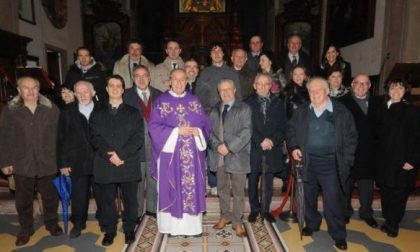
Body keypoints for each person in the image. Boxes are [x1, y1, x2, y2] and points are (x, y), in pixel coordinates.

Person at [286, 77, 357, 251]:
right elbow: (290, 130)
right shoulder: (302, 111)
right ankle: (312, 223)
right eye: (311, 91)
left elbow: (351, 139)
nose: (315, 93)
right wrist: (294, 147)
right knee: (308, 197)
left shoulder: (341, 112)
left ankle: (338, 234)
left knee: (333, 201)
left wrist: (346, 162)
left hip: (331, 164)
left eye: (318, 90)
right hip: (307, 162)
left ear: (326, 91)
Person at [148, 69, 211, 237]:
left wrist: (198, 132)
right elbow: (153, 127)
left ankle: (193, 228)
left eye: (182, 79)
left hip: (192, 156)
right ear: (169, 81)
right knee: (172, 188)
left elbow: (206, 126)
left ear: (187, 81)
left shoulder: (195, 101)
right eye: (175, 79)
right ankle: (172, 228)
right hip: (171, 156)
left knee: (192, 190)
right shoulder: (161, 101)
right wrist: (177, 131)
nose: (178, 83)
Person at [0, 76, 62, 246]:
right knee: (23, 199)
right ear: (19, 90)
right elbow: (4, 137)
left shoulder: (51, 109)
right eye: (26, 88)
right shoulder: (10, 111)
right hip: (21, 162)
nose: (30, 91)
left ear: (39, 89)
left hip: (47, 160)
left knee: (50, 197)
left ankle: (51, 223)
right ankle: (26, 229)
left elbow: (60, 136)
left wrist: (61, 160)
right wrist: (5, 161)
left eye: (34, 87)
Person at [90, 75, 144, 246]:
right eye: (111, 85)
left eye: (118, 86)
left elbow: (137, 138)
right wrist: (110, 155)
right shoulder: (97, 112)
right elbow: (94, 137)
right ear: (106, 89)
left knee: (130, 200)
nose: (115, 88)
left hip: (127, 162)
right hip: (105, 164)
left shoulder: (134, 112)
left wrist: (120, 156)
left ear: (123, 89)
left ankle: (129, 229)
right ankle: (110, 231)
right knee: (106, 201)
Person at [375, 78, 420, 238]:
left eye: (400, 88)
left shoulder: (412, 110)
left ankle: (393, 224)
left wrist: (413, 161)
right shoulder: (382, 109)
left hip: (403, 162)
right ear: (388, 90)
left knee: (399, 195)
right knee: (386, 193)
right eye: (393, 88)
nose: (396, 91)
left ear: (405, 91)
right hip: (384, 162)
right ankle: (388, 220)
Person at [57, 80, 102, 238]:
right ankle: (78, 223)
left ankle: (104, 220)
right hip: (77, 161)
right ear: (75, 94)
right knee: (79, 195)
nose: (83, 95)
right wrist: (62, 163)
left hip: (100, 161)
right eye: (79, 92)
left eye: (86, 91)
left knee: (102, 194)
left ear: (93, 92)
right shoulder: (67, 111)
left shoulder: (102, 109)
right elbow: (61, 139)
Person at [196, 42, 241, 196]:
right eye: (213, 51)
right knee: (213, 147)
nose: (216, 54)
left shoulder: (232, 73)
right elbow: (198, 97)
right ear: (210, 55)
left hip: (229, 113)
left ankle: (229, 181)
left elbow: (239, 95)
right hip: (209, 115)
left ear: (223, 54)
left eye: (219, 51)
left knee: (229, 146)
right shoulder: (204, 73)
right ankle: (214, 182)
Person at [209, 78, 252, 237]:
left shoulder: (244, 108)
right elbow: (209, 133)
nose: (226, 92)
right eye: (222, 90)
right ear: (219, 92)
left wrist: (229, 146)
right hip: (219, 157)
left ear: (234, 90)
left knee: (238, 192)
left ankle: (237, 222)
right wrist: (216, 146)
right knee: (222, 189)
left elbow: (246, 131)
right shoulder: (214, 110)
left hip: (238, 157)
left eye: (229, 89)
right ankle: (224, 216)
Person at [246, 73, 287, 223]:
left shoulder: (278, 103)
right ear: (254, 86)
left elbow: (283, 127)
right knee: (253, 179)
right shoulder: (247, 103)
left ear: (271, 86)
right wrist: (260, 140)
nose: (263, 87)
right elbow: (246, 127)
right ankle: (254, 209)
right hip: (254, 147)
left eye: (266, 84)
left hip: (272, 148)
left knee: (268, 181)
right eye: (259, 84)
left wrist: (272, 141)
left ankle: (265, 209)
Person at [338, 74, 378, 228]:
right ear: (352, 85)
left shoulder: (377, 103)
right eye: (358, 83)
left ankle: (367, 213)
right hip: (348, 152)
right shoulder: (342, 102)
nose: (361, 86)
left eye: (365, 83)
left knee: (367, 186)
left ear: (369, 86)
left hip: (369, 153)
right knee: (346, 185)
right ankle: (345, 213)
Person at [123, 65, 162, 219]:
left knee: (154, 180)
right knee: (137, 183)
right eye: (137, 76)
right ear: (133, 79)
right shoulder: (125, 96)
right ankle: (137, 213)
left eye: (144, 75)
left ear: (149, 77)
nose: (141, 79)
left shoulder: (160, 95)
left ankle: (152, 210)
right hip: (135, 148)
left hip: (155, 146)